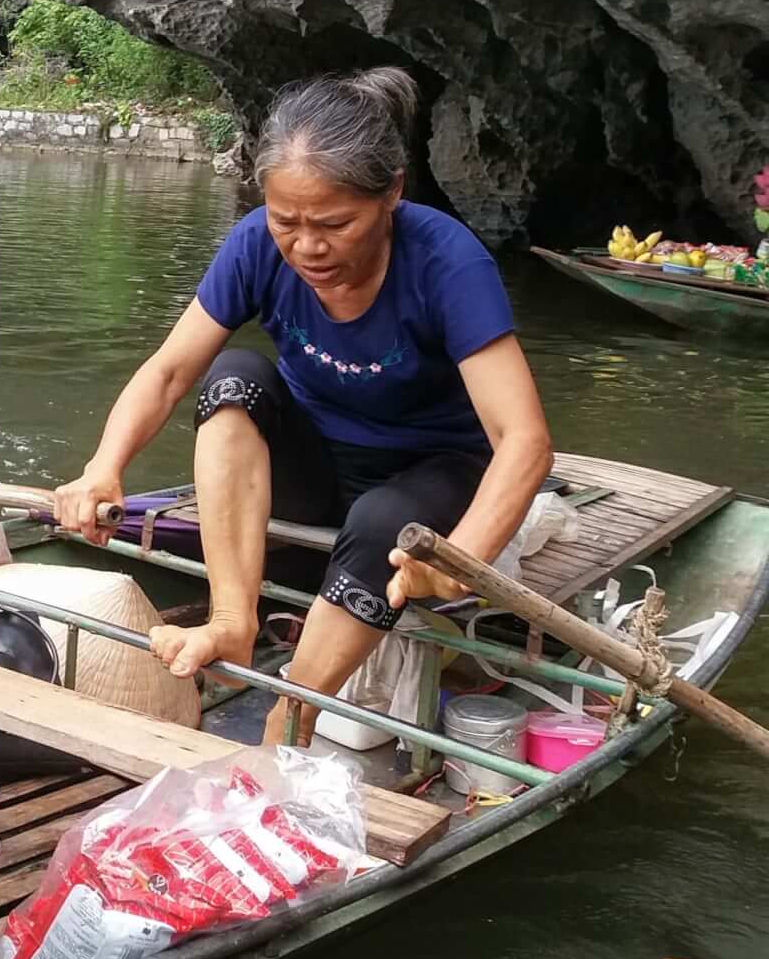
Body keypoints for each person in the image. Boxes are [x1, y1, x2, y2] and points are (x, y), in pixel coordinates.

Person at [53, 68, 553, 747]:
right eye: (287, 221)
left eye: (335, 223)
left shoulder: (446, 261)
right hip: (314, 472)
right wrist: (102, 468)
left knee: (385, 521)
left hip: (432, 474)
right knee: (233, 377)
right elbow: (171, 370)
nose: (307, 247)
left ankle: (292, 714)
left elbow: (523, 439)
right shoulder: (257, 243)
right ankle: (234, 618)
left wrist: (460, 557)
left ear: (392, 195)